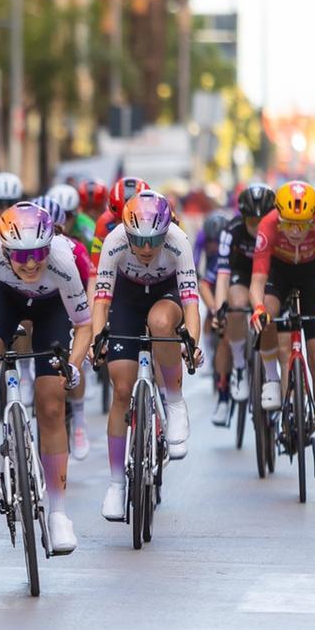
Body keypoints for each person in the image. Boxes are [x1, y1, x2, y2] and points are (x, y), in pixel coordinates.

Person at [0, 202, 91, 555]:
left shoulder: (62, 261)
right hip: (4, 301)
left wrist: (72, 365)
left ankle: (58, 514)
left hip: (52, 308)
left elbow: (85, 326)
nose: (30, 263)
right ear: (4, 248)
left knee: (52, 404)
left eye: (38, 254)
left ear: (50, 244)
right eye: (20, 255)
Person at [92, 190, 201, 497]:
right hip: (127, 297)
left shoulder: (178, 241)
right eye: (137, 240)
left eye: (154, 240)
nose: (145, 247)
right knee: (122, 390)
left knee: (161, 322)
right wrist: (98, 339)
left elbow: (191, 304)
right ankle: (115, 484)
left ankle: (175, 402)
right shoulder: (114, 242)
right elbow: (101, 301)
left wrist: (192, 343)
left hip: (166, 293)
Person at [249, 181, 315, 475]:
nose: (296, 232)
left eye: (303, 225)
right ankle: (273, 379)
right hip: (280, 270)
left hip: (314, 274)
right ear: (279, 218)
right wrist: (258, 308)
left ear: (314, 218)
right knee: (267, 316)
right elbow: (257, 283)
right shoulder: (267, 225)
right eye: (289, 225)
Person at [31, 192, 94, 459]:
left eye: (54, 230)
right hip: (31, 302)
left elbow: (90, 283)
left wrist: (90, 315)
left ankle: (78, 417)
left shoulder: (74, 250)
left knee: (71, 358)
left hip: (66, 303)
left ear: (63, 229)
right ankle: (24, 373)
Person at [212, 183, 276, 411]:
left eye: (263, 221)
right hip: (241, 274)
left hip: (269, 274)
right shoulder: (231, 231)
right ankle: (239, 365)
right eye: (252, 222)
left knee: (271, 311)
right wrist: (220, 308)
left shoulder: (279, 228)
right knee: (236, 306)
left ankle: (274, 377)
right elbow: (222, 275)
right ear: (243, 217)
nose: (258, 228)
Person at [196, 210, 232, 425]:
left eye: (217, 242)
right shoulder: (202, 238)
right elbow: (194, 260)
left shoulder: (229, 242)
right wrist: (214, 308)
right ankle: (211, 356)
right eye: (211, 242)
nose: (214, 247)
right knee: (211, 309)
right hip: (212, 273)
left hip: (229, 275)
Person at [90, 176, 150, 269]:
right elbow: (96, 265)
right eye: (121, 221)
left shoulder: (164, 217)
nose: (127, 228)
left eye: (133, 221)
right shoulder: (103, 223)